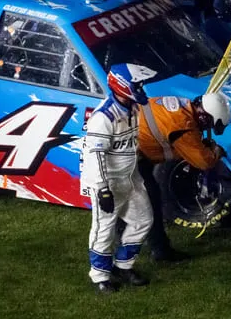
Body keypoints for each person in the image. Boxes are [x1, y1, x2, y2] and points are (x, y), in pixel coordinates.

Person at [80, 63, 156, 294]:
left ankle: (123, 265)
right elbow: (96, 156)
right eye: (138, 84)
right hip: (109, 183)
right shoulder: (103, 117)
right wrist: (103, 189)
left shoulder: (132, 108)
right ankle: (100, 276)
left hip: (131, 179)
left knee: (143, 220)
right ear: (123, 86)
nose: (141, 88)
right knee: (104, 229)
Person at [136, 92, 231, 261]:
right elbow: (203, 162)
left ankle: (143, 243)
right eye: (209, 124)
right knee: (150, 202)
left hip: (133, 145)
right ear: (205, 117)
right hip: (129, 156)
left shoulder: (183, 106)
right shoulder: (183, 124)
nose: (207, 129)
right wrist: (215, 152)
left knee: (143, 200)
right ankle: (158, 251)